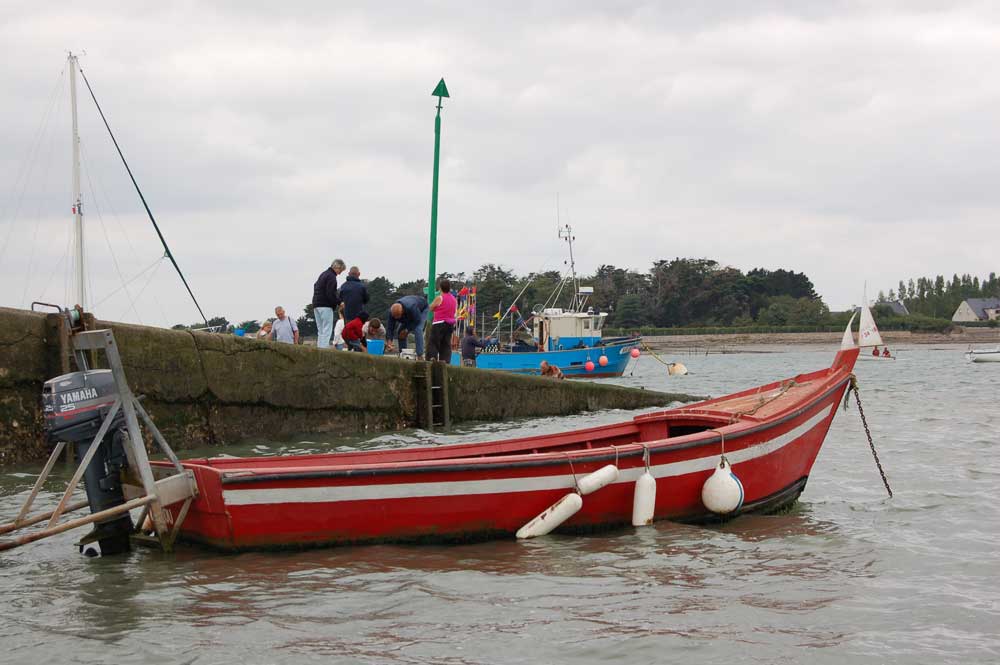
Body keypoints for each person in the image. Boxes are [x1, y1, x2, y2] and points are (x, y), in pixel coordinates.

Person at [312, 259, 345, 349]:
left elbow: (315, 286)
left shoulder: (323, 274)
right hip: (325, 306)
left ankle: (319, 347)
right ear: (337, 267)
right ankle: (324, 349)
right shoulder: (331, 277)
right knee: (327, 329)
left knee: (321, 329)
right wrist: (339, 302)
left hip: (316, 304)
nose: (340, 273)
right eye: (341, 270)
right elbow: (331, 293)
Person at [426, 279, 457, 362]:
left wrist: (436, 308)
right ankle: (445, 360)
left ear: (440, 288)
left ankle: (432, 358)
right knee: (446, 344)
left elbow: (431, 307)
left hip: (439, 323)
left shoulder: (440, 298)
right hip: (450, 324)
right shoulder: (454, 299)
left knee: (433, 342)